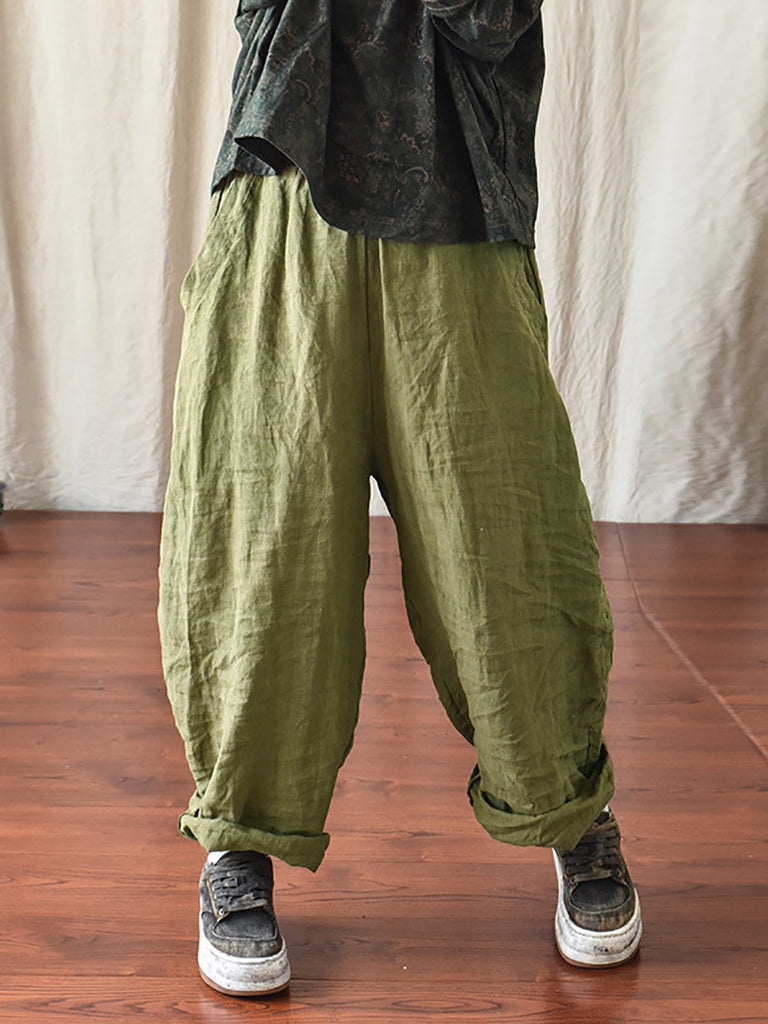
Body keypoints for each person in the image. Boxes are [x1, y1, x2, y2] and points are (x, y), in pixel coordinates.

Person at [157, 0, 642, 997]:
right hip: (284, 197)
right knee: (264, 542)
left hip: (456, 199)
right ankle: (240, 833)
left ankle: (570, 807)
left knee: (508, 541)